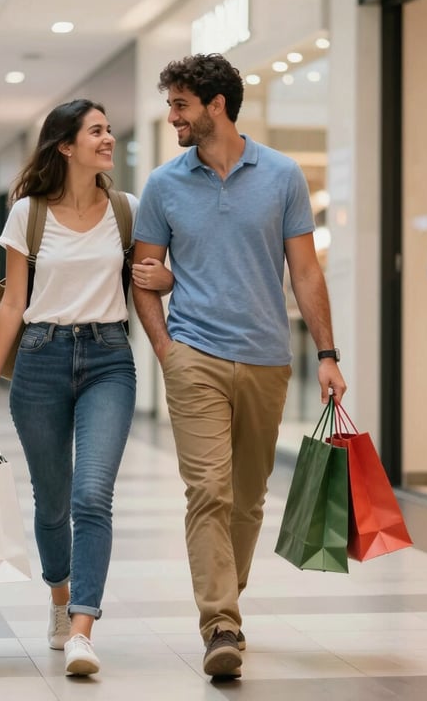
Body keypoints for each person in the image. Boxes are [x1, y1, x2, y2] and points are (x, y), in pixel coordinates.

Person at [132, 53, 347, 679]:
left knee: (248, 501)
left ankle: (227, 598)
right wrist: (168, 352)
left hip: (266, 358)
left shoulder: (281, 175)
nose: (172, 115)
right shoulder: (164, 185)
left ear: (215, 106)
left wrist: (327, 355)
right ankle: (220, 622)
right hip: (193, 355)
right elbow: (143, 277)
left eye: (180, 105)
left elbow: (305, 272)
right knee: (208, 490)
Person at [0, 99, 172, 677]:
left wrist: (168, 277)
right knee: (53, 501)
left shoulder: (127, 210)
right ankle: (60, 600)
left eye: (110, 129)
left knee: (92, 495)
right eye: (96, 131)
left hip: (110, 358)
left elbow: (151, 279)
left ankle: (83, 627)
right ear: (65, 145)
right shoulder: (28, 214)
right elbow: (13, 301)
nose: (108, 139)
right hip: (39, 359)